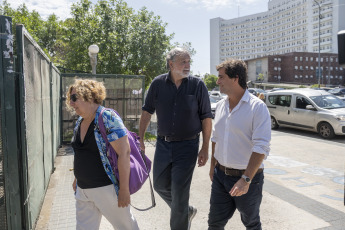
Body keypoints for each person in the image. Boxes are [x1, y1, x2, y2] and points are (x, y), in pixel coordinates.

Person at [139, 47, 213, 230]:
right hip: (163, 144)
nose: (188, 65)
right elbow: (147, 111)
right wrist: (140, 139)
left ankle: (180, 217)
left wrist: (205, 147)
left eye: (189, 62)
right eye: (183, 62)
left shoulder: (197, 85)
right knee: (159, 185)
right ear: (171, 64)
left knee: (180, 192)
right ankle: (185, 211)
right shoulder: (157, 84)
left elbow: (206, 117)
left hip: (188, 146)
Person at [66, 79, 139, 230]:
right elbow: (82, 153)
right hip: (83, 190)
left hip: (106, 189)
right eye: (70, 99)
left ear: (90, 96)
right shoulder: (80, 121)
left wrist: (124, 189)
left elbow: (124, 153)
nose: (71, 103)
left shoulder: (107, 117)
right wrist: (76, 178)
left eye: (74, 98)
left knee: (126, 227)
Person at [208, 59, 271, 230]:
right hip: (220, 176)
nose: (217, 81)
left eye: (221, 77)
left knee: (251, 224)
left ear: (235, 79)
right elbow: (216, 138)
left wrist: (246, 179)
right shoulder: (220, 105)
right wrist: (212, 165)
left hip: (248, 178)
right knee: (214, 223)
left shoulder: (257, 108)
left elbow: (261, 147)